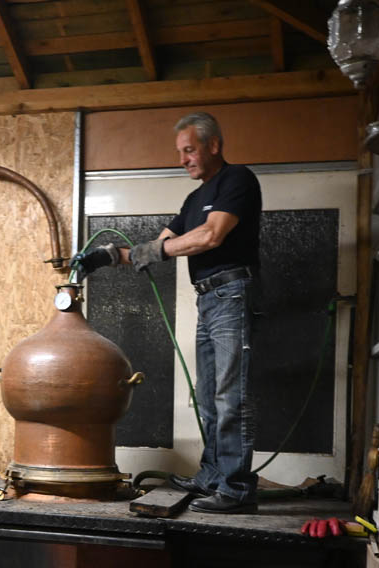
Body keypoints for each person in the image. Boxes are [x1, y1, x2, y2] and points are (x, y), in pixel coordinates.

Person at [75, 111, 262, 513]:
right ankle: (212, 476)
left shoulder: (237, 180)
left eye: (189, 150)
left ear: (214, 145)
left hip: (231, 293)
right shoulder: (194, 200)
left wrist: (150, 251)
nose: (182, 159)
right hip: (208, 299)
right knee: (209, 398)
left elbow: (211, 235)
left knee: (231, 396)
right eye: (180, 152)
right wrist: (108, 256)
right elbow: (159, 244)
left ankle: (236, 489)